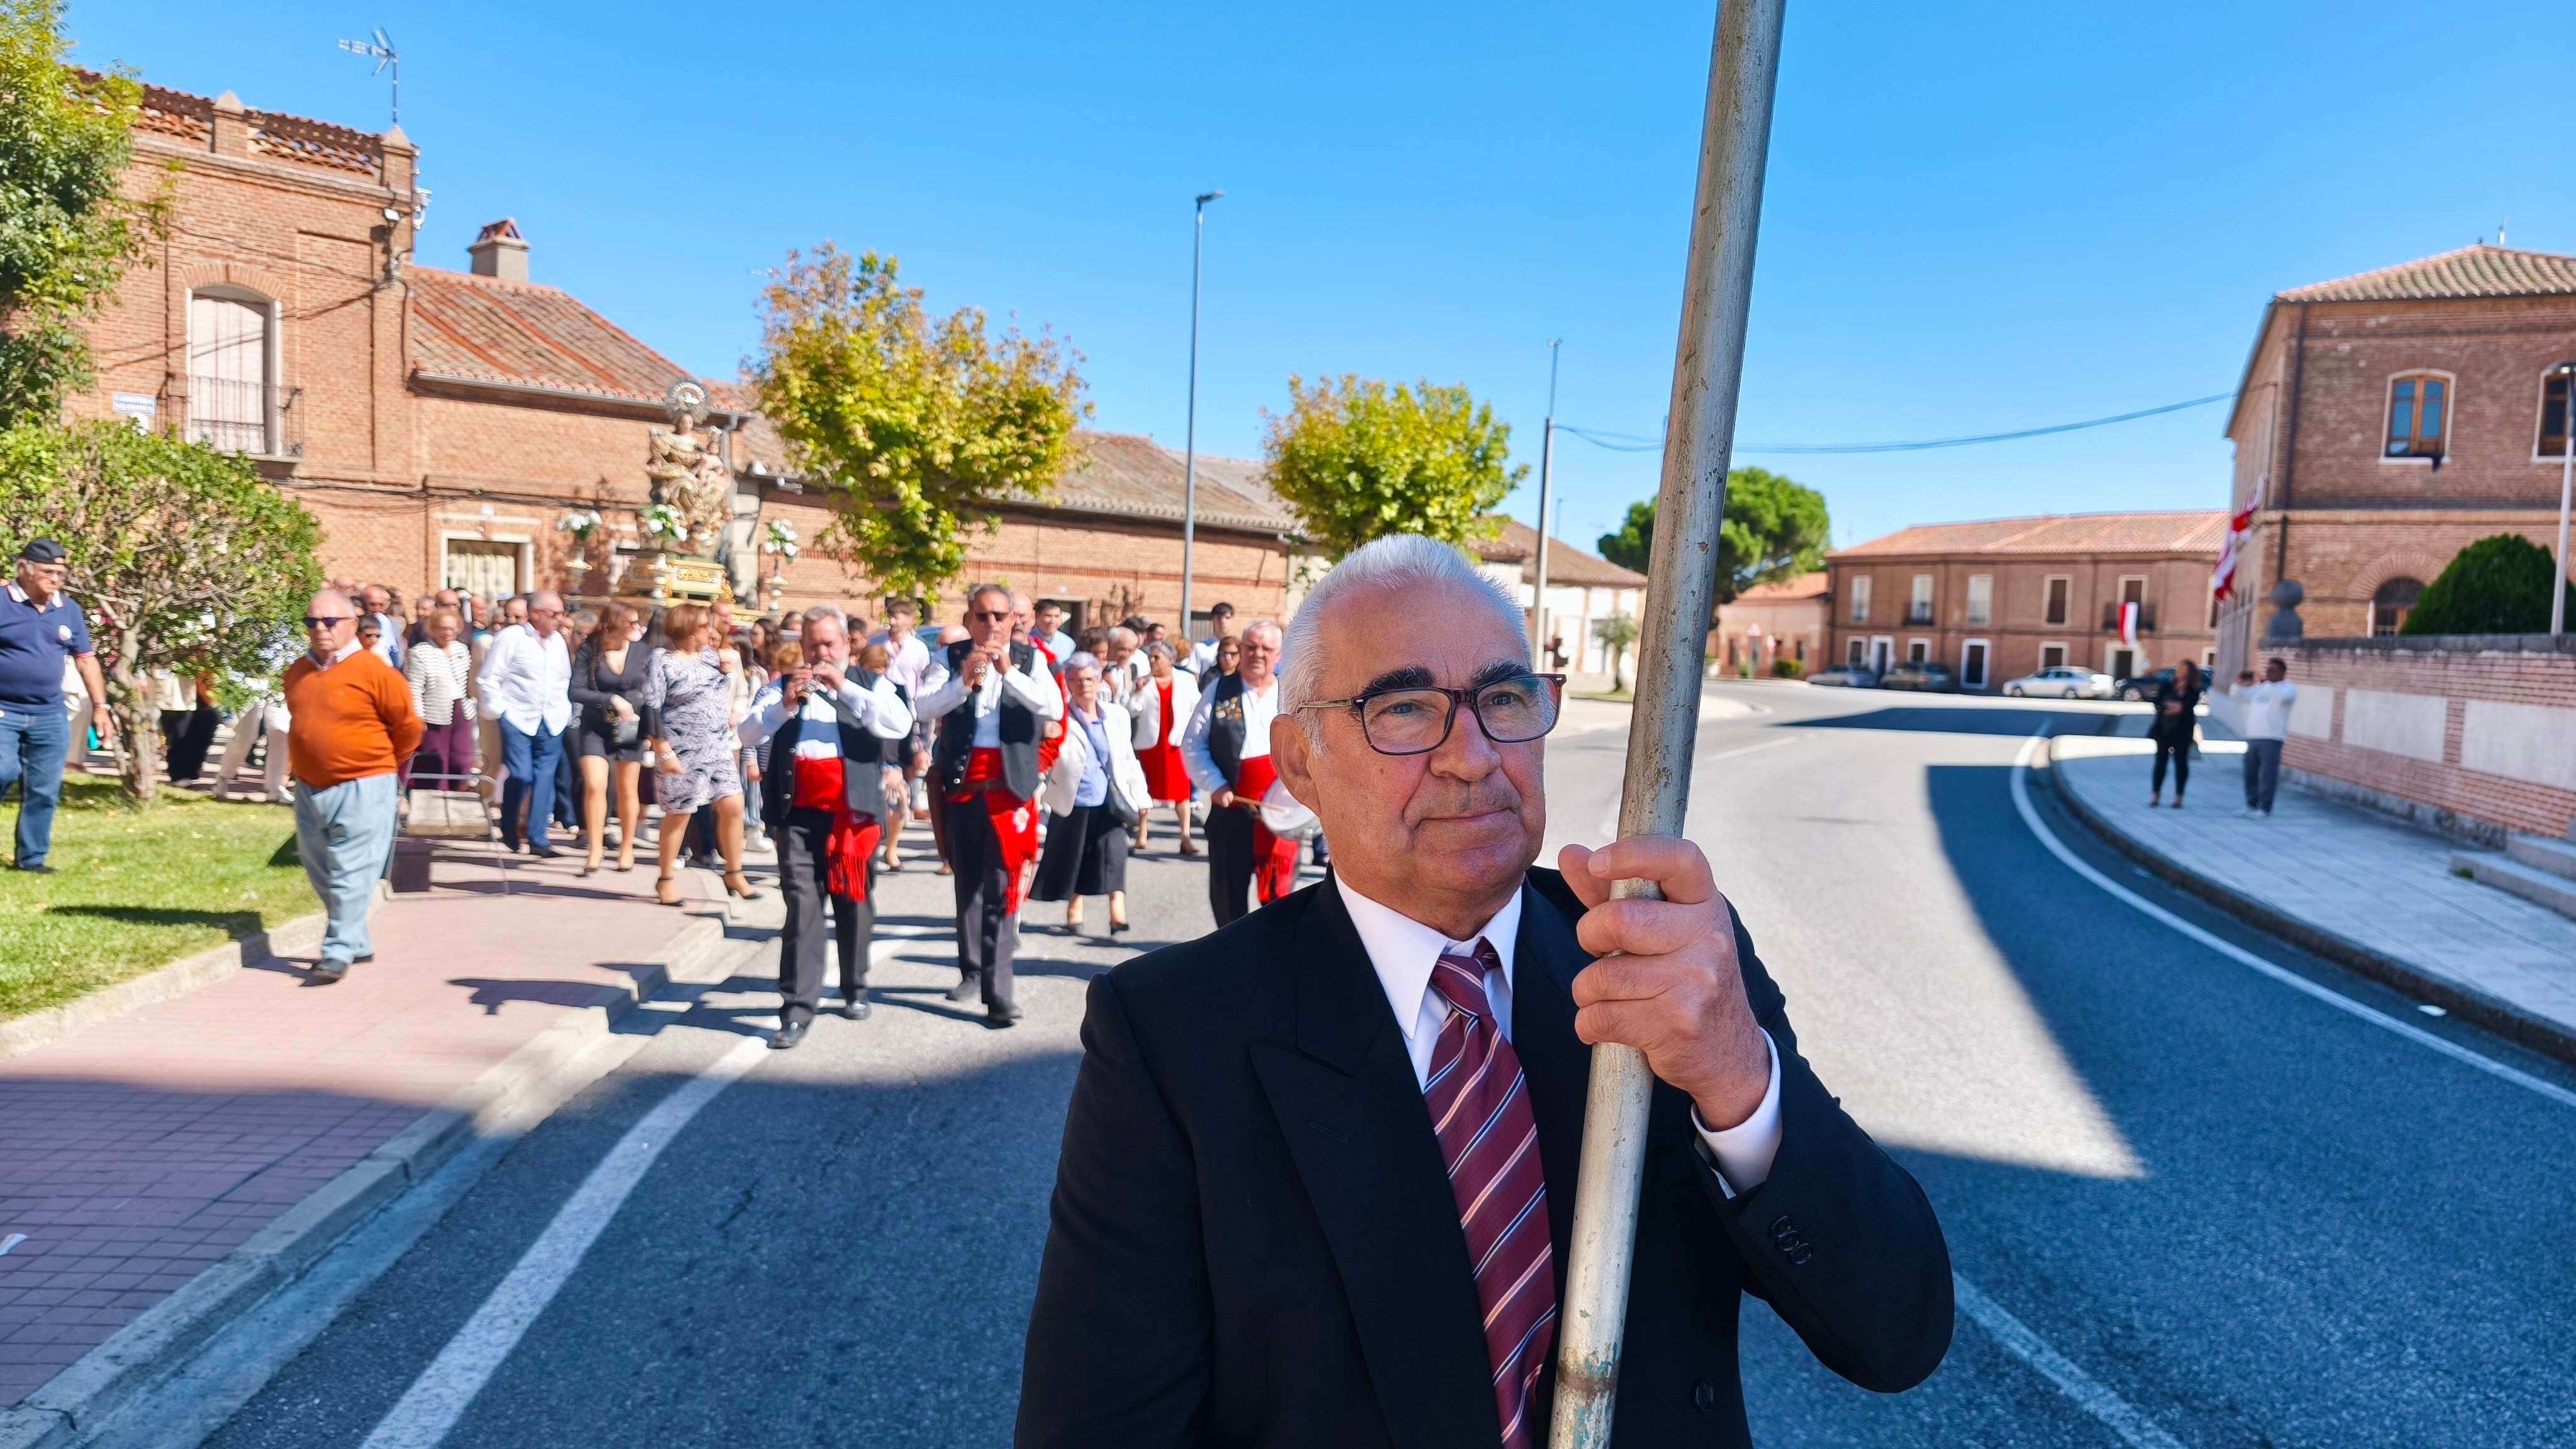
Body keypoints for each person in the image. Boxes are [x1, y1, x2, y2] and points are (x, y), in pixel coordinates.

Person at [1018, 535, 1953, 1446]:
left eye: (1503, 698)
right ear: (1300, 760)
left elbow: (1898, 1334)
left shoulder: (1661, 964)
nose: (1473, 756)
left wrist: (1740, 1081)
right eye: (1406, 710)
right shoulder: (1175, 1033)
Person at [740, 609, 914, 1049]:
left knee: (853, 902)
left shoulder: (871, 684)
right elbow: (748, 733)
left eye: (830, 644)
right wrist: (785, 707)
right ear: (802, 644)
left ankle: (855, 986)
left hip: (852, 816)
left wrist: (846, 688)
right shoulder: (780, 686)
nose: (822, 653)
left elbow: (898, 724)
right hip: (797, 814)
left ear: (846, 645)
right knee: (802, 908)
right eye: (814, 645)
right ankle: (797, 1009)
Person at [917, 583, 1064, 1027]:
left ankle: (999, 991)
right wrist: (963, 684)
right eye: (983, 616)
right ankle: (972, 968)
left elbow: (1053, 706)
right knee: (968, 884)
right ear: (969, 619)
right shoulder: (948, 658)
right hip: (962, 788)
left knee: (1002, 889)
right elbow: (922, 708)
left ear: (1014, 620)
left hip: (1009, 790)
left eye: (1000, 616)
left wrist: (1009, 673)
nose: (993, 624)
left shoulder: (1031, 658)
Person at [283, 590, 423, 982]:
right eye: (312, 622)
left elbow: (409, 728)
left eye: (329, 622)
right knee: (320, 869)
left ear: (351, 626)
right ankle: (357, 940)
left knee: (350, 869)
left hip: (365, 783)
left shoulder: (377, 673)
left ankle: (336, 951)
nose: (320, 630)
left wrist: (378, 765)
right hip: (311, 785)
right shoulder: (297, 672)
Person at [0, 539, 113, 871]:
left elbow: (86, 659)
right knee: (3, 771)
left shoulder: (67, 609)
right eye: (48, 572)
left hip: (49, 713)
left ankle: (32, 860)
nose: (56, 579)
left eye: (61, 573)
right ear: (25, 569)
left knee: (45, 789)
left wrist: (101, 707)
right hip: (4, 710)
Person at [1182, 619, 1296, 926]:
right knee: (1227, 896)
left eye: (1266, 648)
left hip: (1279, 817)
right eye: (1251, 647)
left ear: (1279, 654)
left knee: (1280, 901)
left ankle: (1274, 964)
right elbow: (1193, 744)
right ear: (1241, 649)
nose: (1258, 654)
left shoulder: (1292, 695)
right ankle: (1231, 964)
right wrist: (1216, 785)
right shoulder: (1220, 689)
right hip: (1231, 811)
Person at [643, 602, 756, 905]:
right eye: (705, 626)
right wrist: (663, 749)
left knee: (733, 805)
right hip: (681, 747)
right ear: (690, 630)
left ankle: (734, 871)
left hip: (717, 745)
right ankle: (665, 878)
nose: (711, 631)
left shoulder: (710, 657)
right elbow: (652, 706)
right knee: (680, 813)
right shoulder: (663, 660)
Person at [1032, 653, 1150, 936]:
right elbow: (1046, 759)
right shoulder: (1059, 719)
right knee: (1076, 855)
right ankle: (1075, 910)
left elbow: (1128, 760)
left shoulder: (1116, 715)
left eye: (1089, 679)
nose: (1084, 685)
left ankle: (1117, 912)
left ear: (1099, 682)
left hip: (1110, 798)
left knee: (1115, 853)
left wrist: (1141, 796)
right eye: (1076, 680)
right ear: (1068, 684)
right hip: (1074, 799)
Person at [477, 589, 574, 857]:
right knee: (521, 774)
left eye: (561, 613)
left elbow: (564, 678)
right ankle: (509, 827)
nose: (559, 619)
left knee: (545, 778)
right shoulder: (512, 637)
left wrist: (564, 711)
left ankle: (538, 838)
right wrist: (499, 710)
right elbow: (490, 676)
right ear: (535, 614)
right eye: (554, 614)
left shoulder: (557, 642)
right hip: (517, 716)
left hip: (552, 719)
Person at [569, 599, 650, 875]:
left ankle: (627, 848)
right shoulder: (590, 650)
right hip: (596, 727)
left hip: (630, 729)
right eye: (631, 622)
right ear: (614, 623)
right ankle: (595, 849)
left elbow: (651, 691)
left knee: (628, 789)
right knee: (595, 784)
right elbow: (575, 691)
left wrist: (646, 719)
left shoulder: (642, 651)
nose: (637, 627)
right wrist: (611, 698)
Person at [868, 595, 943, 871]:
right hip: (878, 715)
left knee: (906, 776)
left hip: (909, 717)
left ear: (911, 620)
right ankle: (880, 840)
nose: (893, 620)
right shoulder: (877, 643)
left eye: (899, 615)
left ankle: (893, 844)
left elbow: (923, 683)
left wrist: (924, 735)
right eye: (890, 614)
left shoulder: (919, 649)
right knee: (883, 782)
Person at [1133, 641, 1199, 856]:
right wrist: (1136, 691)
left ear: (1170, 660)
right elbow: (1133, 710)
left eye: (1156, 657)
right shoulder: (1145, 682)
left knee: (1182, 792)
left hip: (1175, 744)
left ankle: (1185, 837)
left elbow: (1196, 707)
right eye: (1150, 657)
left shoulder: (1186, 680)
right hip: (1151, 744)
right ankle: (1142, 833)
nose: (1152, 661)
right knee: (1145, 789)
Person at [403, 606, 477, 794]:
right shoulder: (420, 652)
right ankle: (436, 801)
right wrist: (419, 718)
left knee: (462, 759)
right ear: (433, 628)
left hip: (462, 709)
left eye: (453, 628)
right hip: (435, 714)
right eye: (443, 628)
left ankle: (457, 793)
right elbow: (415, 688)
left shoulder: (461, 649)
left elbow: (469, 678)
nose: (448, 633)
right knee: (436, 762)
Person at [2231, 657, 2297, 818]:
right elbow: (2238, 695)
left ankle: (2265, 808)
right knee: (2250, 773)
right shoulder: (2261, 688)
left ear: (2282, 672)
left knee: (2268, 775)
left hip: (2272, 738)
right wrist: (2239, 682)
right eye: (2267, 670)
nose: (2268, 673)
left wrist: (2268, 684)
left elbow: (2281, 698)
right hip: (2253, 736)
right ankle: (2251, 805)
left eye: (2272, 670)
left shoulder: (2289, 688)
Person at [2146, 659, 2202, 809]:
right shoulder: (2167, 686)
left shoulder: (2193, 689)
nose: (2181, 672)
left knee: (2181, 763)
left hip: (2182, 732)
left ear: (2190, 673)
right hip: (2164, 730)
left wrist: (2175, 707)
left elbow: (2187, 706)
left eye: (2185, 670)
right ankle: (2155, 794)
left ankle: (2179, 796)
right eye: (2180, 669)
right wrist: (2174, 707)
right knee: (2160, 762)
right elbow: (2158, 703)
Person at [358, 584, 406, 672]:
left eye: (381, 605)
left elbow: (394, 652)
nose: (377, 609)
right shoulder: (354, 622)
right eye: (372, 605)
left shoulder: (389, 623)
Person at [1187, 600, 1236, 680]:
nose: (1223, 621)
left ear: (1233, 619)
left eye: (1227, 618)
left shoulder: (1240, 647)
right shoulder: (1200, 647)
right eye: (1219, 618)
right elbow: (1194, 676)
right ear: (1213, 619)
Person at [1033, 600, 1077, 665]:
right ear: (1037, 616)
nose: (1053, 621)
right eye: (1048, 616)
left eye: (1057, 616)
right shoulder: (1027, 640)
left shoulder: (1068, 643)